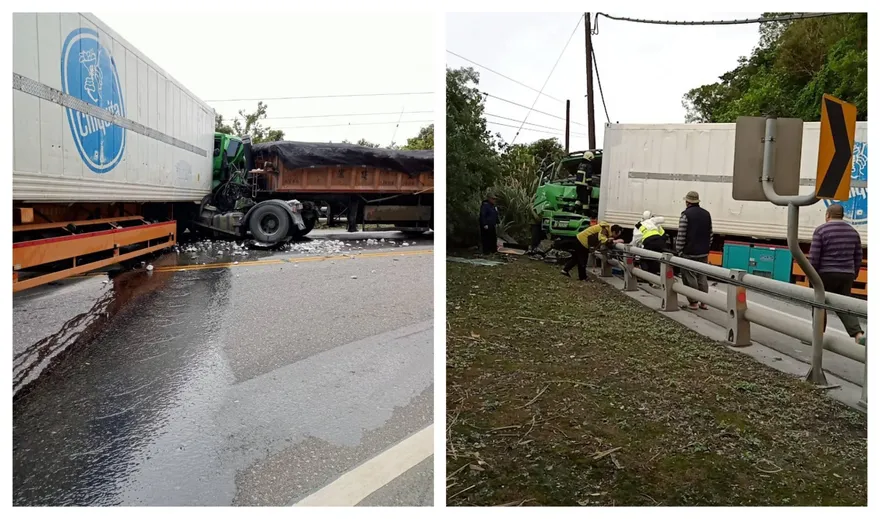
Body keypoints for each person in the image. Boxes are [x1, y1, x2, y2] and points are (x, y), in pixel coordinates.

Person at [809, 204, 864, 342]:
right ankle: (858, 334)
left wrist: (812, 276)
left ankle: (818, 336)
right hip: (847, 274)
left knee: (819, 303)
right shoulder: (853, 232)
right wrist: (854, 273)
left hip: (825, 274)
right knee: (844, 304)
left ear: (827, 214)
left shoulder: (821, 230)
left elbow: (814, 256)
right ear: (842, 215)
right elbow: (858, 256)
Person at [675, 191, 712, 310]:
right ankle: (704, 302)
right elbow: (710, 234)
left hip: (689, 252)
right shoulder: (707, 214)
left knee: (689, 276)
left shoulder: (685, 215)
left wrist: (679, 250)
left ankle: (693, 302)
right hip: (703, 251)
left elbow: (681, 234)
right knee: (702, 276)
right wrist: (707, 247)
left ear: (687, 202)